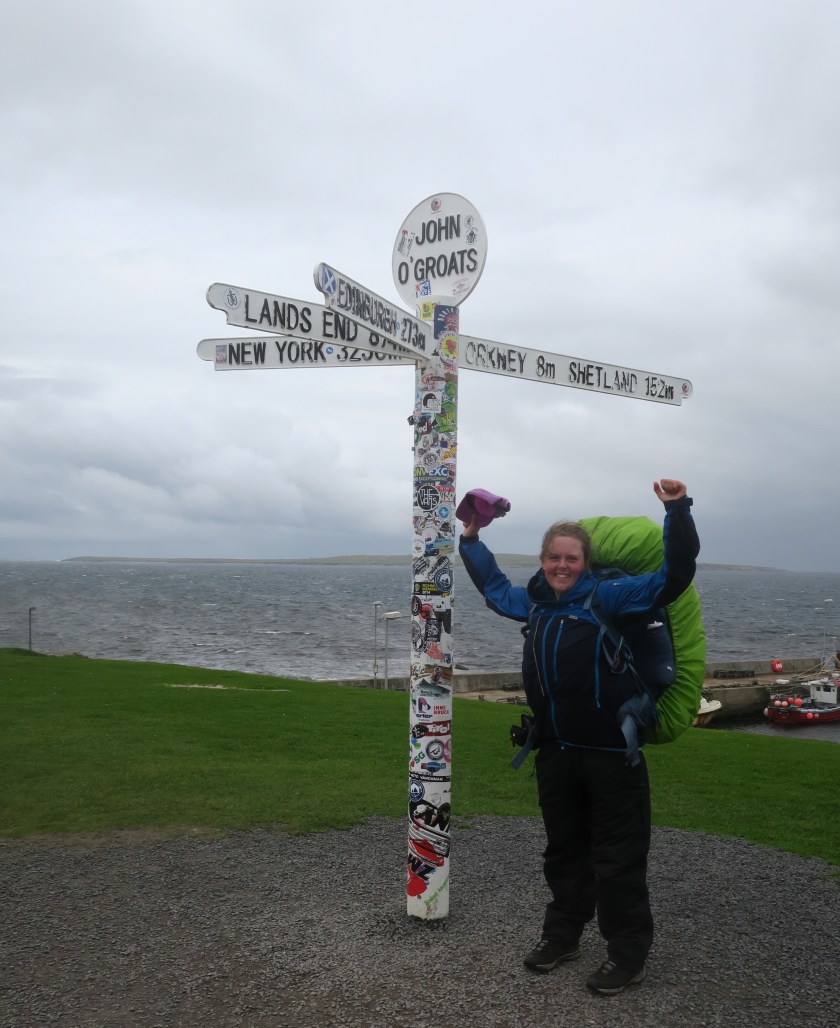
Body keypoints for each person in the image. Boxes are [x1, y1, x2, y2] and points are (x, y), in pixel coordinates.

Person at [458, 479, 699, 996]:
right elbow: (496, 590)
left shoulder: (610, 596)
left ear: (585, 562)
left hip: (613, 756)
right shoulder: (536, 603)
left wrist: (677, 511)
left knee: (618, 861)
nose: (561, 566)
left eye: (571, 558)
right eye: (553, 558)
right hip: (556, 753)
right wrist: (471, 540)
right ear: (543, 561)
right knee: (564, 853)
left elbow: (673, 577)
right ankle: (562, 936)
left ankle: (627, 956)